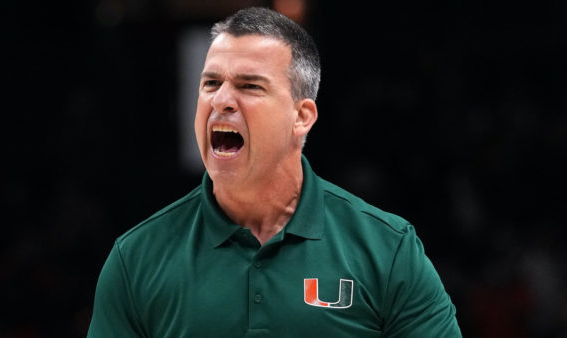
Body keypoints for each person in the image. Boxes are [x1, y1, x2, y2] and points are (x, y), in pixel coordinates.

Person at [87, 7, 462, 337]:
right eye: (211, 83)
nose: (221, 100)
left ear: (301, 117)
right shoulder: (135, 259)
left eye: (249, 85)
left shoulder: (388, 250)